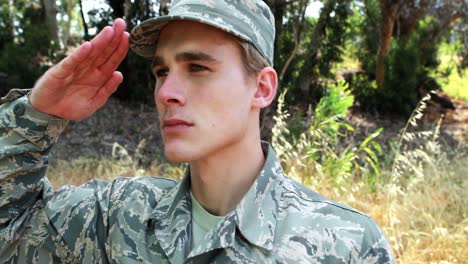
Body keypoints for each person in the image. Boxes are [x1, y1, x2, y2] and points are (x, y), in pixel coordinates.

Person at [0, 0, 395, 263]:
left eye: (197, 68)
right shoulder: (118, 217)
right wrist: (36, 115)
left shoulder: (345, 244)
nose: (166, 93)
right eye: (161, 71)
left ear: (261, 88)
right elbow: (10, 233)